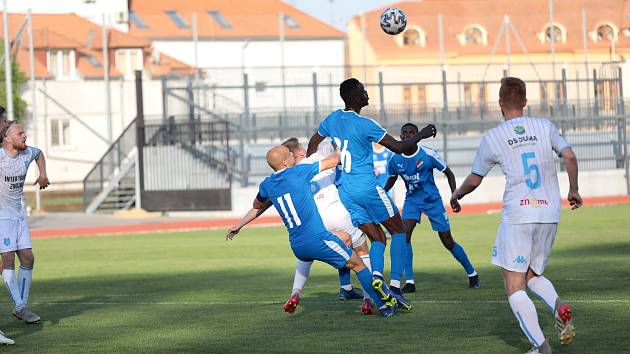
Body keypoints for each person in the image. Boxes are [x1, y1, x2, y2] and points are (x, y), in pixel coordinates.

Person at [451, 77, 581, 354]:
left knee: (514, 285)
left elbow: (475, 179)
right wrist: (574, 189)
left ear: (500, 104)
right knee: (532, 274)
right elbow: (569, 155)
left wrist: (457, 194)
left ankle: (541, 347)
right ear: (524, 102)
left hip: (519, 214)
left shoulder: (494, 137)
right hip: (549, 212)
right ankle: (558, 304)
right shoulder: (544, 126)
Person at [307, 78, 436, 309]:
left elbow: (314, 140)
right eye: (363, 91)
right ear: (354, 96)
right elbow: (398, 147)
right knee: (399, 230)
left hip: (346, 192)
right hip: (366, 187)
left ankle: (376, 279)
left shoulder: (332, 119)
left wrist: (310, 165)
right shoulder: (365, 124)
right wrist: (423, 133)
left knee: (377, 238)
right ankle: (395, 287)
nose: (367, 94)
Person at [227, 146, 398, 317]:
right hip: (318, 240)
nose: (293, 154)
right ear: (285, 161)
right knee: (359, 264)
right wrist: (343, 144)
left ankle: (297, 292)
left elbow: (257, 206)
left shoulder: (267, 185)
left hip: (297, 245)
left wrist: (238, 225)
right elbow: (333, 160)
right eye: (289, 154)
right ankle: (379, 305)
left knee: (345, 239)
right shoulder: (299, 172)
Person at [384, 123, 479, 292]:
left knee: (447, 241)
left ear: (416, 135)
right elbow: (392, 178)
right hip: (412, 200)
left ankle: (472, 273)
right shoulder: (395, 159)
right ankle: (410, 282)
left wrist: (454, 195)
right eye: (404, 133)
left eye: (411, 132)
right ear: (400, 136)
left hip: (432, 200)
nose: (407, 135)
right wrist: (382, 191)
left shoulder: (428, 154)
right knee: (404, 235)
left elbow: (448, 172)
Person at [0, 122, 49, 340]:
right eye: (20, 133)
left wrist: (43, 174)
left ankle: (20, 307)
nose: (25, 135)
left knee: (28, 258)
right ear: (7, 139)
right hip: (2, 217)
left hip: (18, 215)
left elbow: (40, 154)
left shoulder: (27, 152)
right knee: (8, 260)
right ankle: (20, 307)